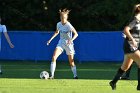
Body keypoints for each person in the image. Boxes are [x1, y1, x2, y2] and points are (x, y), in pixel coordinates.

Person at [109, 4, 140, 90]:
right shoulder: (135, 20)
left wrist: (131, 37)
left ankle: (113, 82)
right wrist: (132, 39)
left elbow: (134, 33)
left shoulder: (138, 21)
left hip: (129, 46)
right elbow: (126, 29)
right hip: (130, 46)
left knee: (125, 67)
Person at [47, 8, 78, 79]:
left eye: (64, 17)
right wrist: (50, 40)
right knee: (54, 57)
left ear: (66, 17)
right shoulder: (58, 24)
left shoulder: (69, 25)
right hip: (61, 42)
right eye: (61, 17)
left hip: (69, 44)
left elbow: (76, 34)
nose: (62, 19)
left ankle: (75, 76)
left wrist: (71, 40)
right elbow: (57, 32)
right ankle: (52, 75)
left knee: (71, 62)